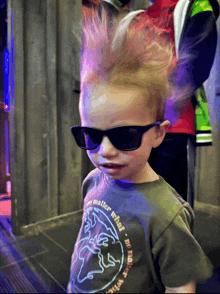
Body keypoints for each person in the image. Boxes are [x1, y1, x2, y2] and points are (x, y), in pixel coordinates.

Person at [67, 8, 213, 293]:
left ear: (158, 133)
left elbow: (180, 287)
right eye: (92, 136)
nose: (105, 151)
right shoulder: (93, 182)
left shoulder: (166, 214)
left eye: (126, 136)